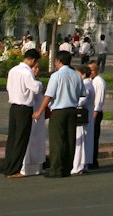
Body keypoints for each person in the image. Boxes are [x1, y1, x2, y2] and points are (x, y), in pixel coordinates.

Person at [35, 49, 84, 177]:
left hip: (58, 111)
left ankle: (56, 169)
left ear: (59, 61)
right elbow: (81, 93)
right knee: (69, 139)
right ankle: (67, 167)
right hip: (72, 109)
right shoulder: (76, 75)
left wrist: (39, 111)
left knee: (57, 141)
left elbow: (49, 95)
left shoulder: (56, 76)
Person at [70, 66, 93, 175]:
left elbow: (82, 100)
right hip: (86, 115)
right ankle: (83, 164)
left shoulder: (86, 85)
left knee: (80, 141)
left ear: (83, 74)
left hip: (82, 115)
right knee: (84, 141)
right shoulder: (88, 84)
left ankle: (77, 165)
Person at [86, 59, 106, 169]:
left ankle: (93, 160)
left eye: (92, 70)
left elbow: (99, 101)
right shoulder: (90, 81)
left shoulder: (99, 82)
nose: (91, 72)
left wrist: (94, 115)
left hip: (95, 113)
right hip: (90, 112)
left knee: (94, 137)